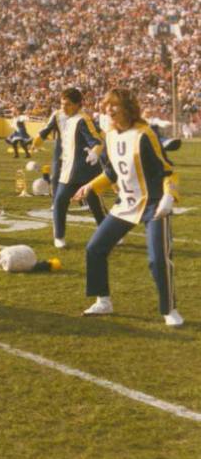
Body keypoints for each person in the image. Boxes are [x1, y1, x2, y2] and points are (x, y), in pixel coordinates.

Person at [75, 88, 182, 326]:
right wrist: (90, 186)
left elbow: (168, 171)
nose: (109, 110)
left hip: (153, 204)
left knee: (158, 259)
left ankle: (169, 309)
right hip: (125, 203)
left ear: (129, 109)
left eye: (115, 105)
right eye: (106, 106)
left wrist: (169, 197)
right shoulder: (110, 136)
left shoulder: (145, 134)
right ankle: (103, 300)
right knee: (95, 248)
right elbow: (112, 172)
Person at [48, 88, 106, 249]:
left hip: (85, 170)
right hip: (68, 170)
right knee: (60, 201)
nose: (63, 108)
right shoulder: (64, 117)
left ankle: (107, 232)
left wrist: (94, 153)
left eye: (67, 105)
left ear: (77, 105)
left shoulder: (82, 119)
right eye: (61, 104)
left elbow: (97, 141)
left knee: (95, 204)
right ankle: (59, 236)